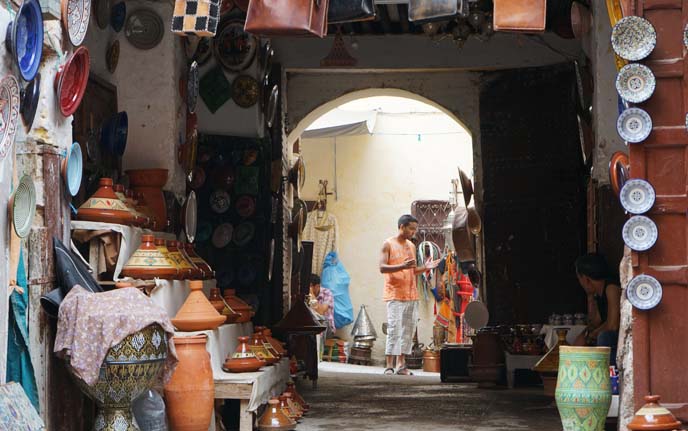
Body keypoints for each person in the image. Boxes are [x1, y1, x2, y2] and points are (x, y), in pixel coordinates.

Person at [380, 214, 440, 375]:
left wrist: (426, 267)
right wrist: (402, 265)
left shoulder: (411, 246)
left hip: (411, 294)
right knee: (394, 329)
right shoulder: (388, 244)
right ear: (402, 227)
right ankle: (389, 365)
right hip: (394, 293)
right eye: (411, 228)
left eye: (415, 229)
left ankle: (401, 365)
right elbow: (382, 268)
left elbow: (412, 271)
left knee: (408, 330)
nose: (414, 232)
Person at [573, 253, 621, 366]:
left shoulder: (611, 288)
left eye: (580, 279)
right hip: (608, 337)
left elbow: (612, 325)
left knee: (603, 336)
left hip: (618, 339)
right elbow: (595, 322)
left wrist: (591, 335)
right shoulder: (598, 294)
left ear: (585, 279)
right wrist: (590, 298)